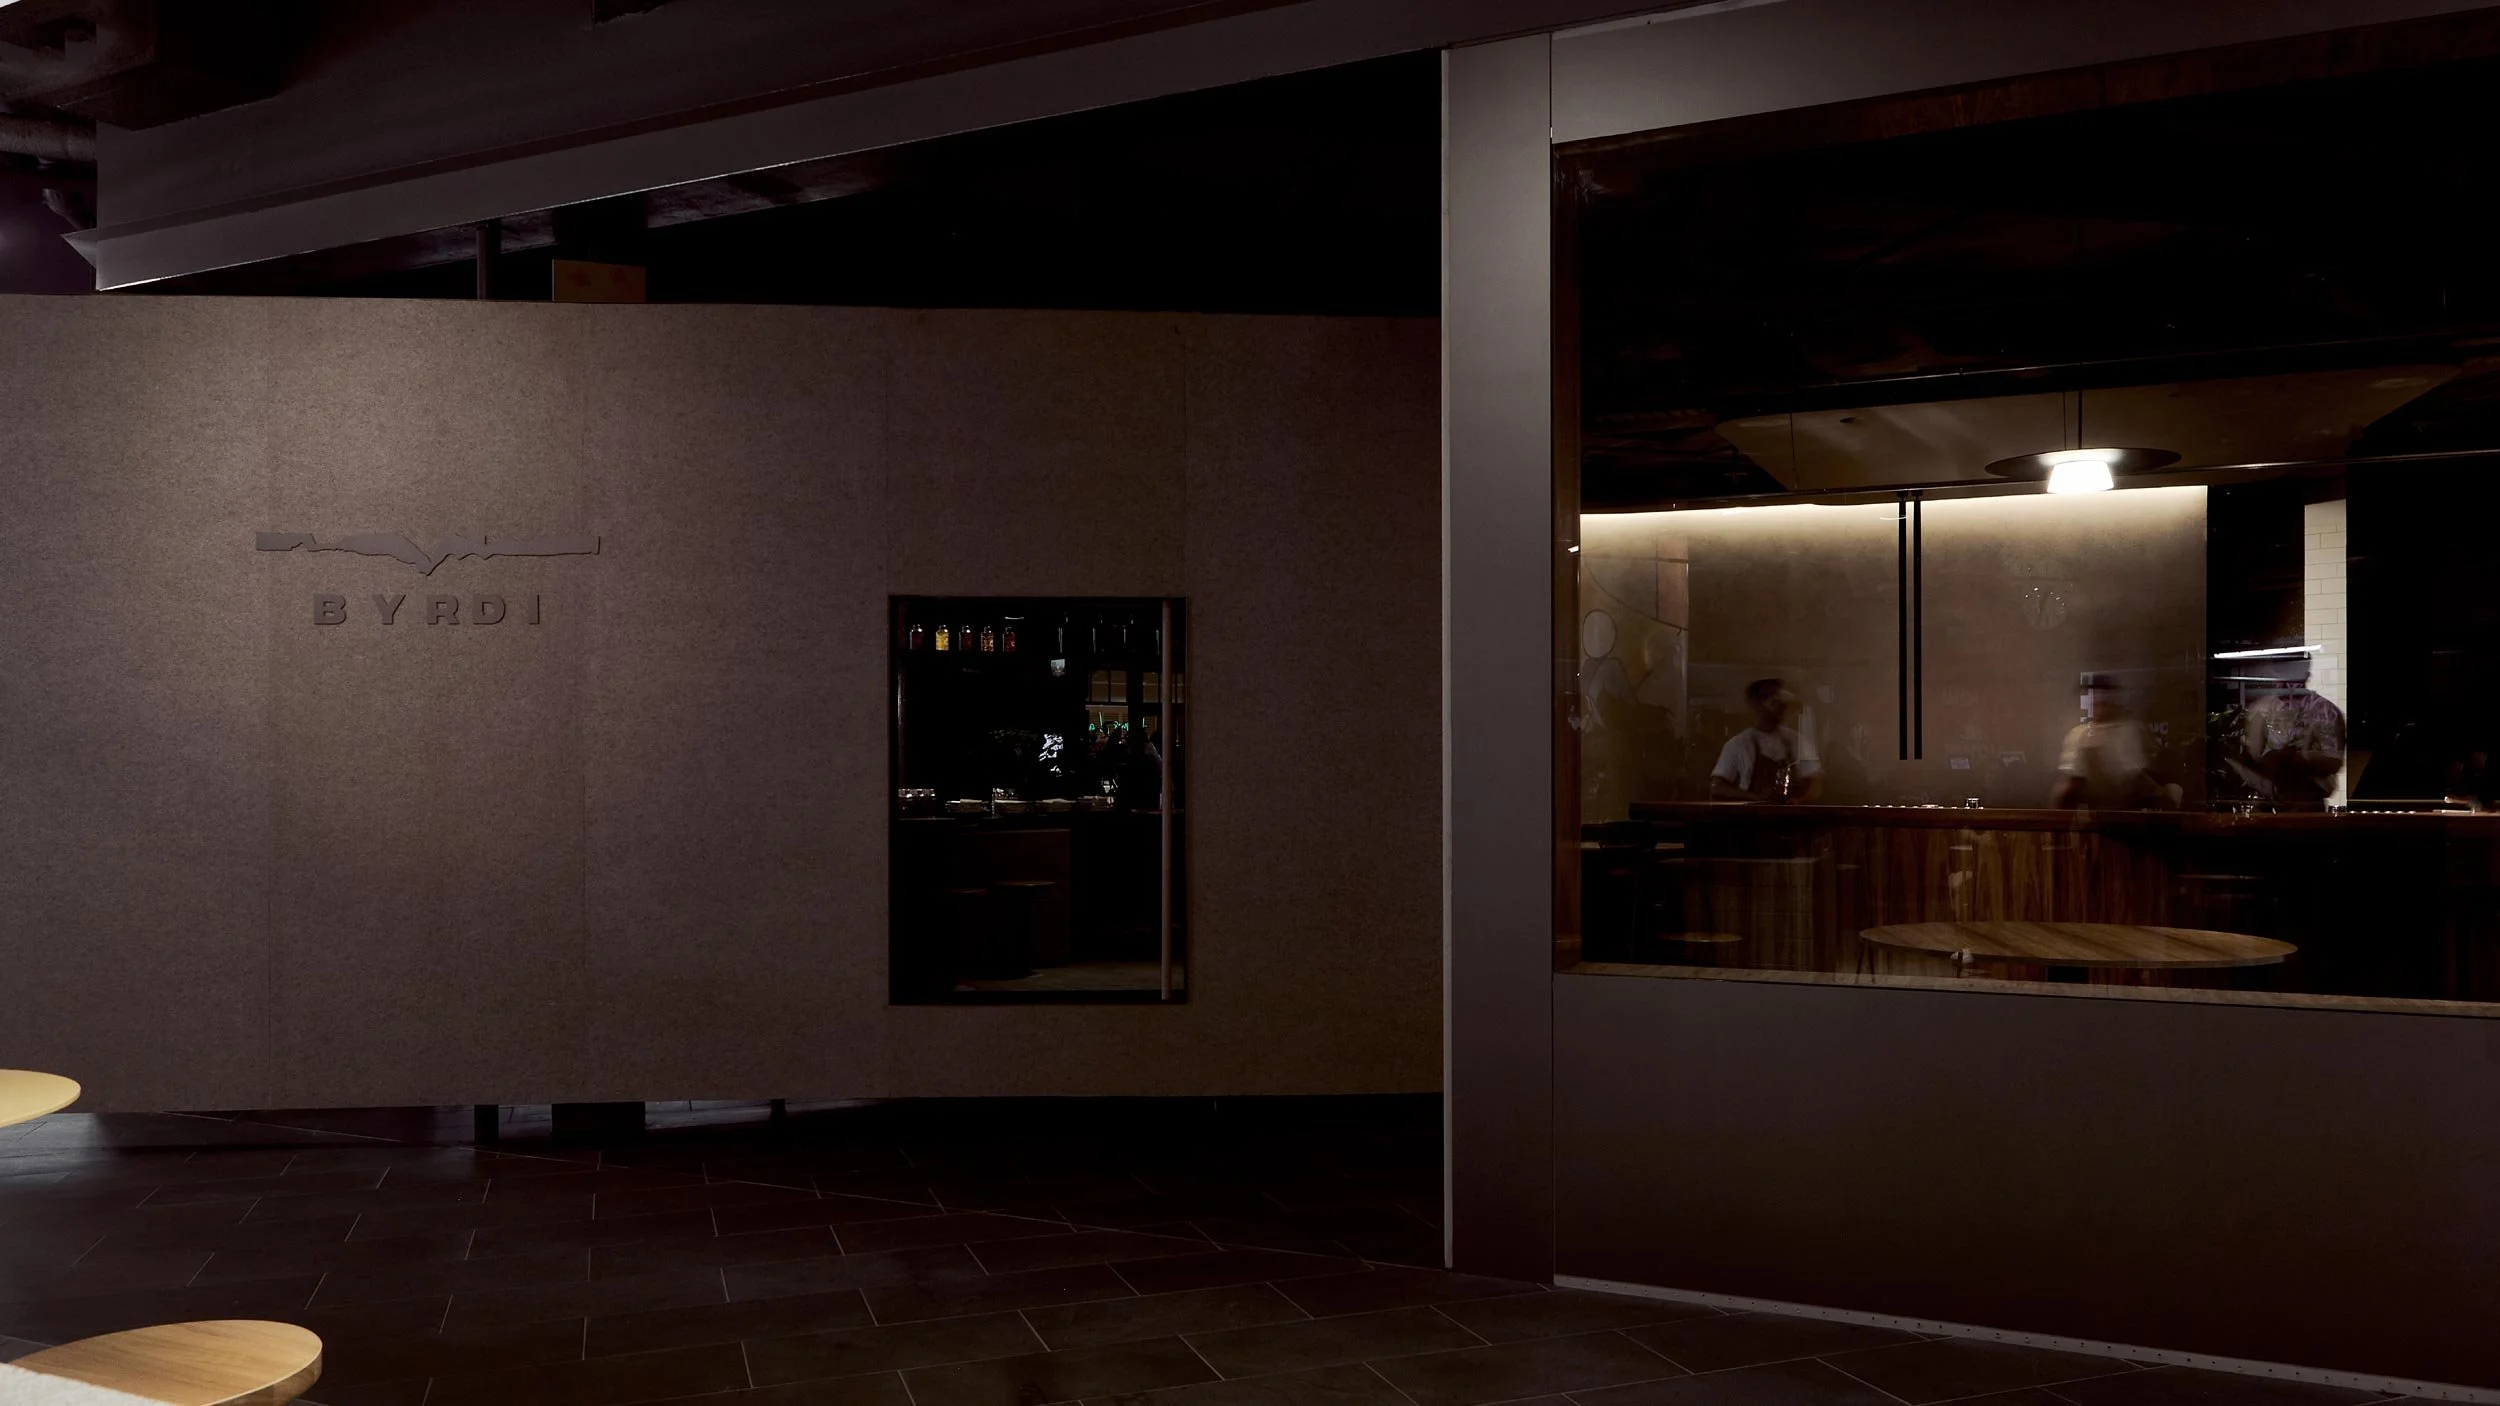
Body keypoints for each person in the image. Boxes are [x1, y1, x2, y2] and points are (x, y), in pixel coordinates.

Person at [2231, 655, 2345, 810]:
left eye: (2291, 674)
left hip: (2307, 803)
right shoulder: (2263, 709)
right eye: (2280, 674)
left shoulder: (2325, 711)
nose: (2284, 682)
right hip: (2271, 803)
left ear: (2306, 674)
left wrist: (2301, 758)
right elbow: (2253, 756)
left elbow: (2334, 761)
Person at [2052, 673, 2172, 809]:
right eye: (2095, 696)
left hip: (2128, 814)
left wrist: (2164, 797)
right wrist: (2055, 817)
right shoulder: (2078, 735)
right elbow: (2070, 784)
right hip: (2098, 814)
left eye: (2105, 696)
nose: (2100, 700)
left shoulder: (2128, 731)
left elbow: (2137, 780)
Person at [1710, 678, 1821, 803]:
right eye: (1772, 700)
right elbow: (1717, 789)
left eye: (1780, 700)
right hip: (1753, 815)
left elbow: (1815, 787)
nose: (1779, 706)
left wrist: (1798, 802)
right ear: (1756, 704)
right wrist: (1756, 799)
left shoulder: (1797, 742)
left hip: (1792, 815)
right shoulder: (1738, 744)